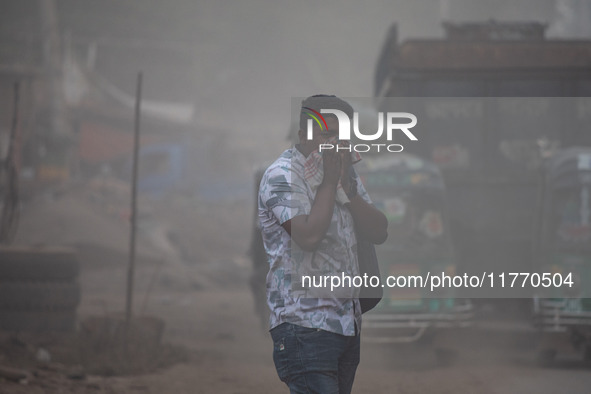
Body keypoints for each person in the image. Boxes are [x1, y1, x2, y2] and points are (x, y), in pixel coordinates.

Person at [258, 95, 388, 393]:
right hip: (304, 326)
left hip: (346, 324)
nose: (336, 144)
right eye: (327, 133)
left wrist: (346, 189)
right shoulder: (282, 175)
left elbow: (379, 231)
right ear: (303, 135)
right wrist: (330, 182)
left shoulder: (345, 173)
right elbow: (308, 236)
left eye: (342, 135)